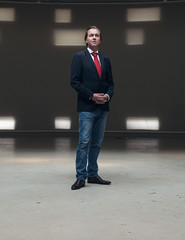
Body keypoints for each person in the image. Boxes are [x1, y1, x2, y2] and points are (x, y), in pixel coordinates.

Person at [70, 26, 114, 190]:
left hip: (103, 108)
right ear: (86, 39)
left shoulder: (106, 59)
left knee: (96, 143)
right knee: (84, 143)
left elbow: (111, 84)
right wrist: (92, 96)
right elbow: (75, 82)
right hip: (87, 106)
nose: (94, 37)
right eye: (91, 35)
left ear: (100, 39)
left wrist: (107, 96)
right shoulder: (79, 57)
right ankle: (80, 177)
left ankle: (93, 175)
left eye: (97, 35)